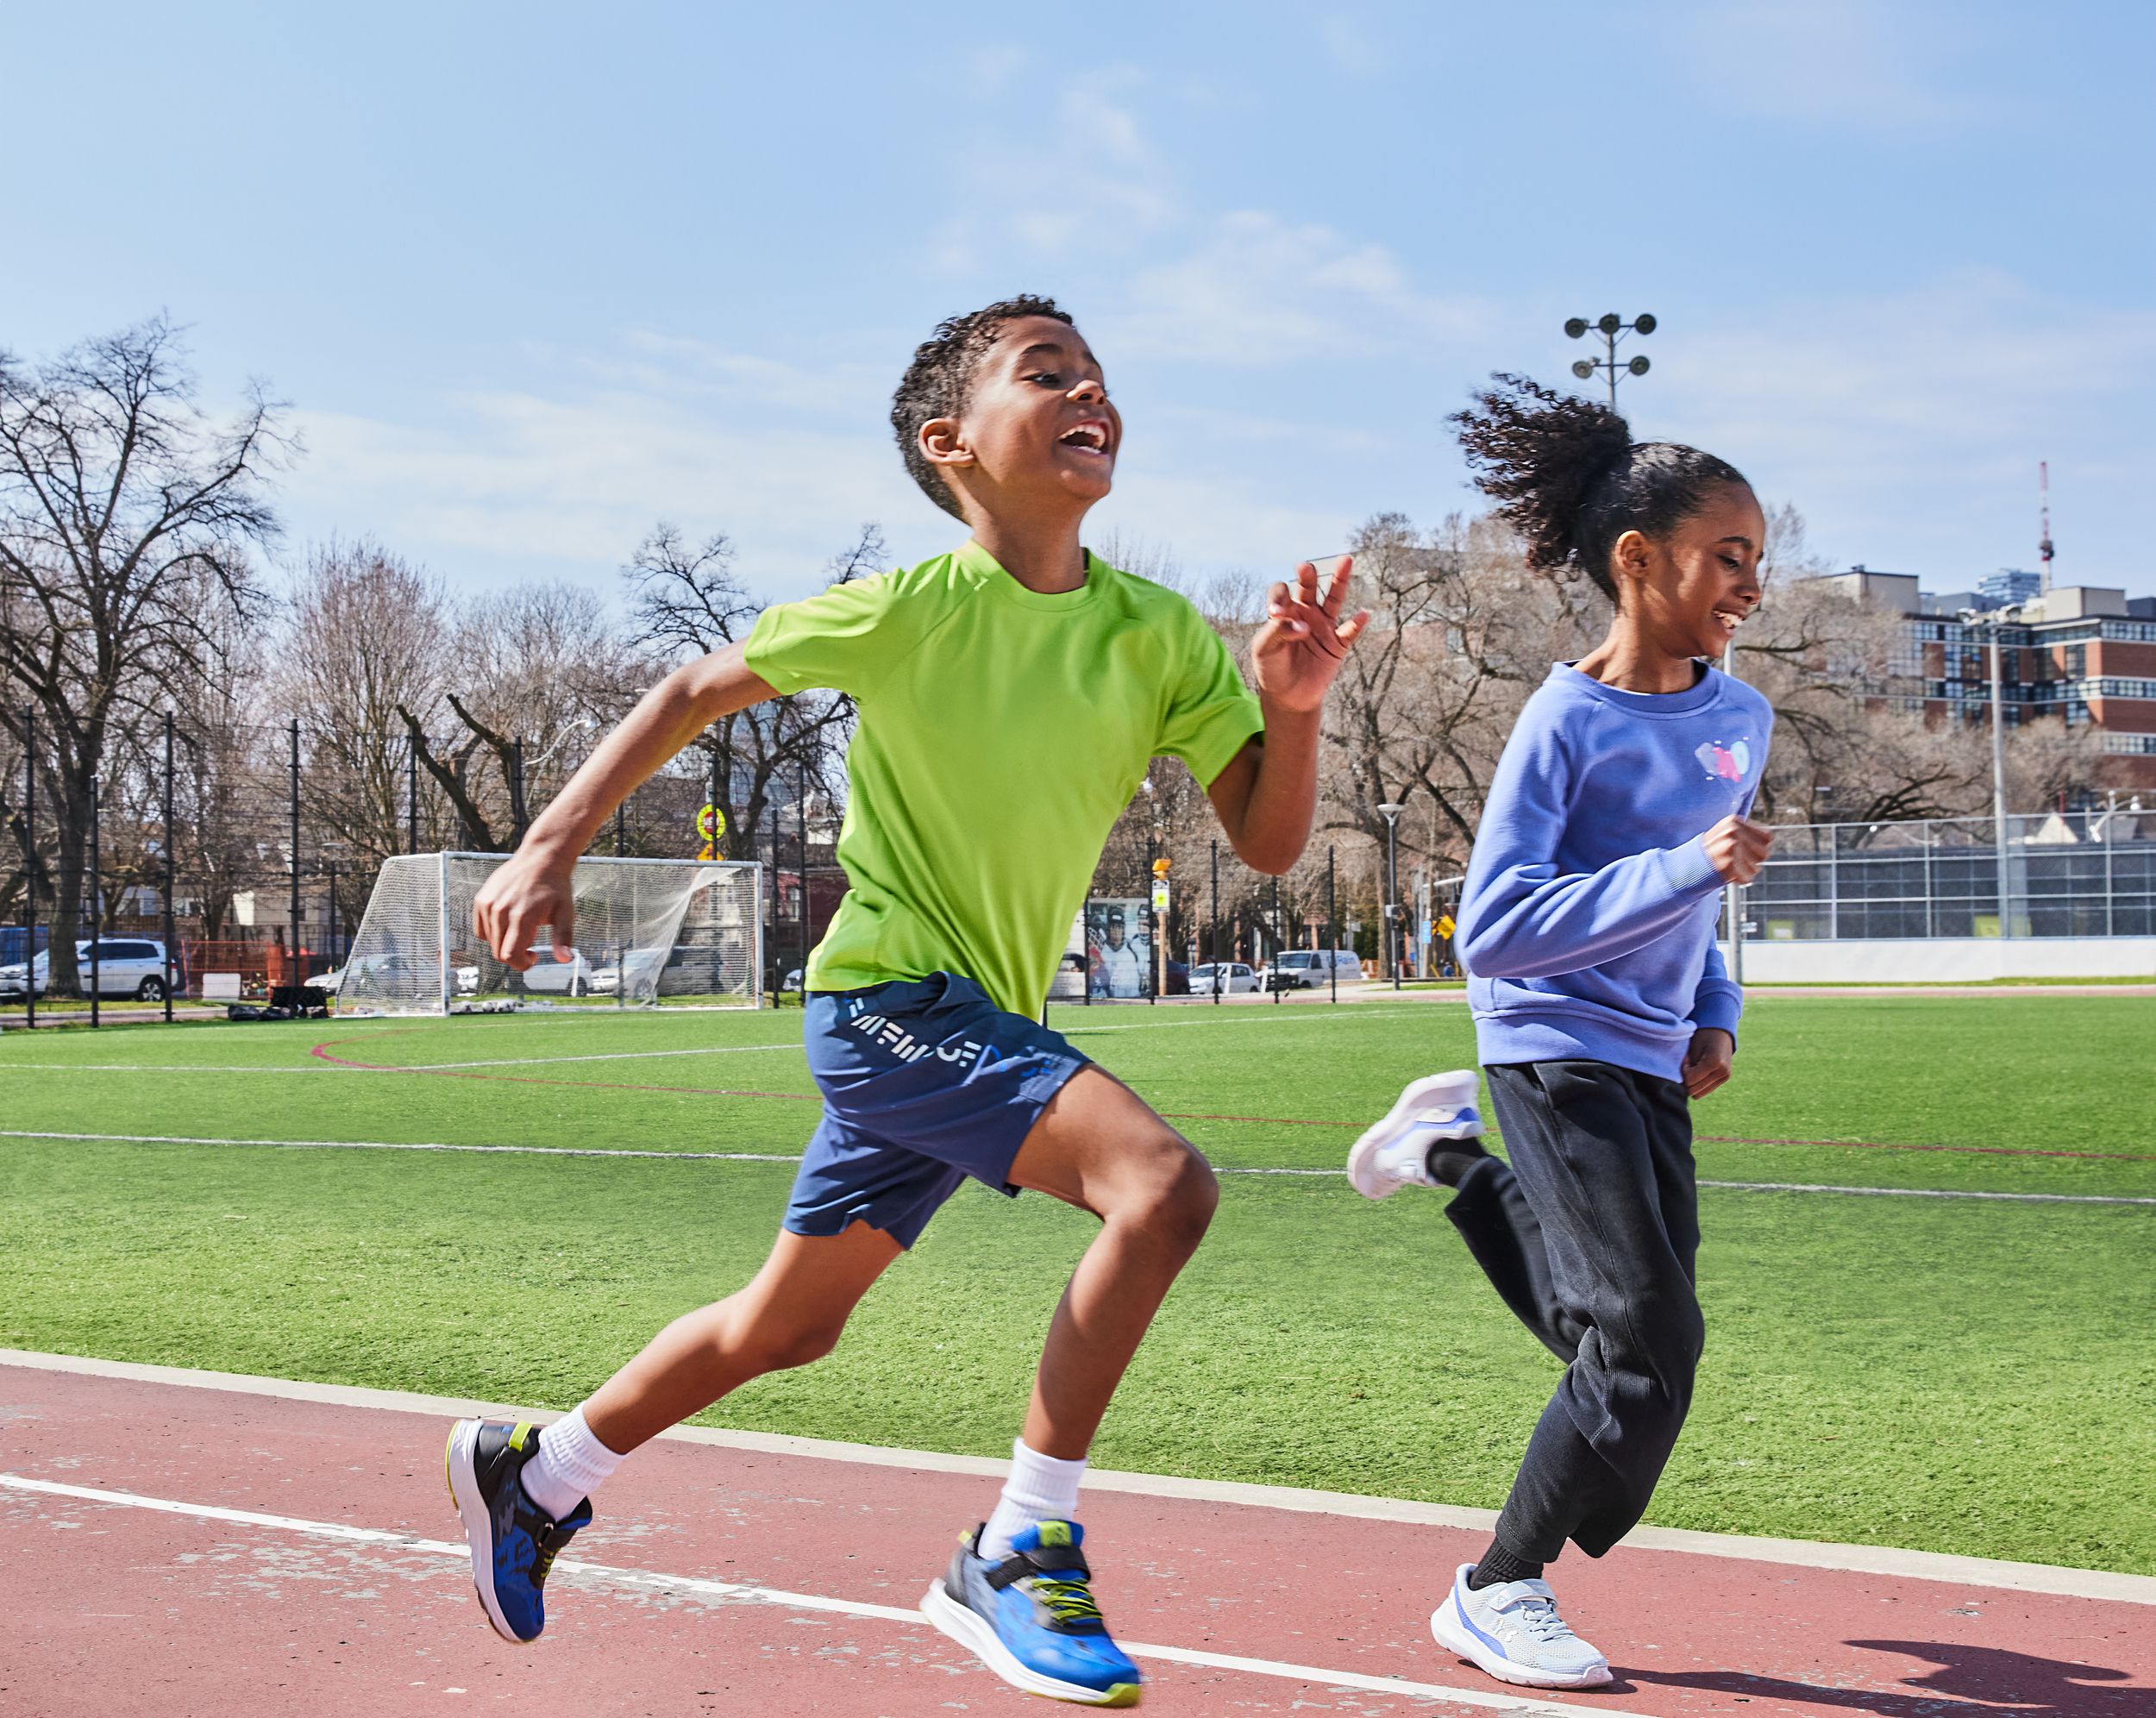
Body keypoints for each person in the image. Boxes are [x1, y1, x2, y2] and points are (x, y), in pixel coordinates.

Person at [445, 294, 1366, 1708]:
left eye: (1097, 374)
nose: (1088, 391)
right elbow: (690, 689)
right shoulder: (908, 609)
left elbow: (1269, 839)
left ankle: (539, 1473)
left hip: (974, 1024)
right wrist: (548, 844)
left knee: (788, 1326)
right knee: (1161, 1186)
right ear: (953, 444)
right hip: (889, 1003)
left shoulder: (1160, 635)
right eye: (1046, 373)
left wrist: (1292, 709)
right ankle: (1020, 1544)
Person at [1344, 374, 1774, 1691]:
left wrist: (1713, 1008)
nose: (1752, 585)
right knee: (1648, 1337)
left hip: (1652, 1050)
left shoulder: (1741, 718)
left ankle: (1447, 1161)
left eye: (1759, 559)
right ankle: (1495, 1586)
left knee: (1633, 1336)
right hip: (1548, 1038)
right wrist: (1689, 866)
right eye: (1729, 557)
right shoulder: (1565, 721)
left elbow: (1699, 907)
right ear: (1639, 560)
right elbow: (1494, 929)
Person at [1095, 909, 1146, 999]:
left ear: (1123, 930)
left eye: (1119, 927)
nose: (1116, 931)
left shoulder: (1130, 956)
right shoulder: (1101, 952)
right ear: (1108, 929)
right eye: (1113, 927)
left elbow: (1134, 991)